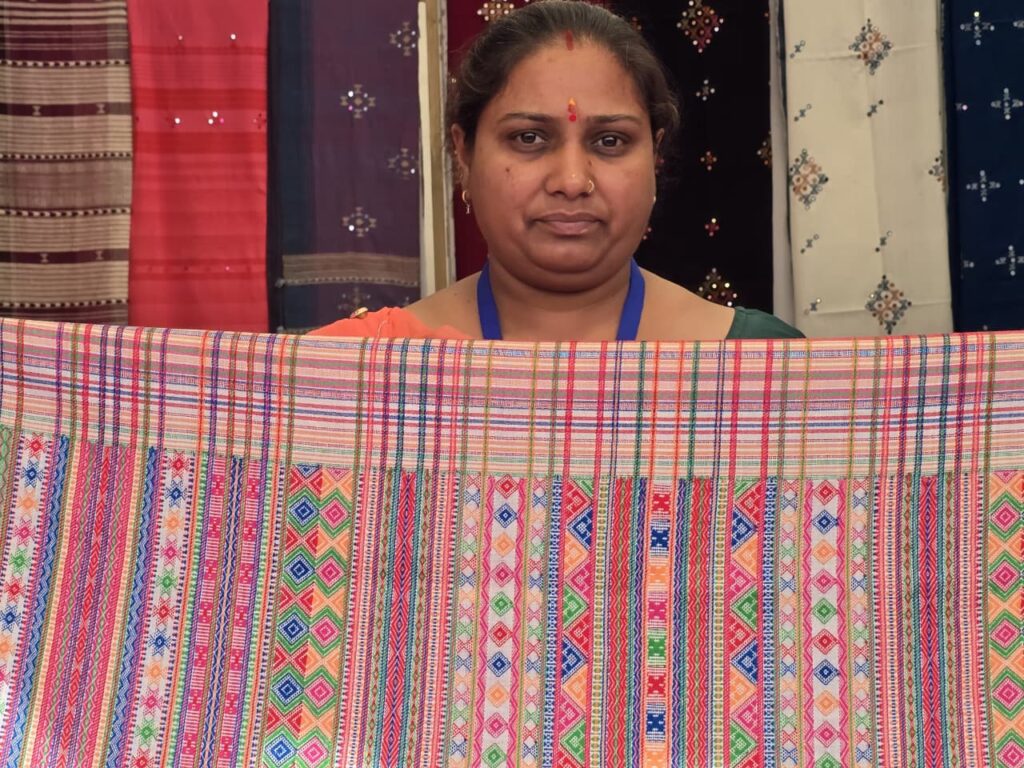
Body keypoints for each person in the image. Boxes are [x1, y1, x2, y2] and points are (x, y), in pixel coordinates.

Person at [311, 0, 801, 342]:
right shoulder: (357, 368)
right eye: (529, 138)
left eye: (610, 141)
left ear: (654, 157)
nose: (571, 182)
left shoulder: (768, 366)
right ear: (464, 154)